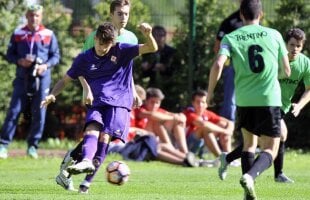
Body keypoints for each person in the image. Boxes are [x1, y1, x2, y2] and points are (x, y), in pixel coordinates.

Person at [41, 22, 157, 194]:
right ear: (95, 39)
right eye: (101, 44)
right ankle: (86, 161)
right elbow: (65, 80)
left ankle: (85, 183)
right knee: (91, 131)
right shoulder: (84, 58)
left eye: (107, 45)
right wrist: (53, 94)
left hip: (118, 103)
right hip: (97, 102)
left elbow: (151, 48)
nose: (103, 48)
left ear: (114, 42)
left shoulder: (122, 50)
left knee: (104, 139)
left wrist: (148, 35)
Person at [207, 0, 291, 199]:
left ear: (242, 15)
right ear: (261, 14)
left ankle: (247, 195)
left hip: (244, 100)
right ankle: (250, 176)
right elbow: (286, 70)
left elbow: (218, 64)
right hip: (269, 98)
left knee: (248, 145)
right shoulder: (274, 34)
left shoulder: (231, 37)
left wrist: (210, 93)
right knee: (272, 147)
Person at [55, 0, 138, 192]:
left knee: (104, 136)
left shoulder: (131, 38)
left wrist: (132, 90)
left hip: (119, 96)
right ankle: (76, 167)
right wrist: (86, 88)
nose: (123, 17)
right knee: (99, 133)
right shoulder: (96, 36)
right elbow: (82, 65)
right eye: (119, 14)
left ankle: (76, 167)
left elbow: (127, 68)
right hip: (97, 94)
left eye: (126, 14)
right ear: (111, 15)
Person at [217, 28, 310, 184]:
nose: (295, 49)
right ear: (285, 44)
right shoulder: (275, 58)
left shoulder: (305, 63)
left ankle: (228, 159)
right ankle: (276, 174)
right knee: (279, 134)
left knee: (257, 141)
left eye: (299, 46)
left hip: (282, 106)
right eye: (292, 45)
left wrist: (300, 105)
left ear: (303, 46)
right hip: (267, 102)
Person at [0, 4, 60, 159]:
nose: (34, 18)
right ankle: (3, 145)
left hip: (42, 79)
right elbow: (9, 54)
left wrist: (45, 66)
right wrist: (19, 61)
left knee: (40, 112)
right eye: (31, 15)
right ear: (27, 16)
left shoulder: (48, 34)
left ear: (41, 16)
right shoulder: (18, 33)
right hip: (22, 78)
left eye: (37, 15)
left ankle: (32, 146)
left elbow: (56, 56)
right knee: (14, 111)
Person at [213, 0, 243, 122]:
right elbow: (217, 47)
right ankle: (226, 136)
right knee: (230, 101)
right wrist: (226, 63)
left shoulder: (257, 21)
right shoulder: (230, 22)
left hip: (254, 69)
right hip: (234, 67)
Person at [135, 87, 189, 154]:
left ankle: (185, 151)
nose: (154, 105)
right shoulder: (140, 108)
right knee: (156, 120)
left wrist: (181, 117)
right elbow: (152, 115)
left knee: (178, 122)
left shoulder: (158, 110)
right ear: (146, 101)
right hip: (140, 137)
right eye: (152, 102)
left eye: (157, 103)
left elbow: (178, 116)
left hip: (154, 137)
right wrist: (174, 118)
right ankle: (170, 148)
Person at [183, 90, 234, 158]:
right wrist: (225, 131)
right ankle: (221, 158)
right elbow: (204, 125)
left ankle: (229, 156)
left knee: (223, 124)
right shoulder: (189, 113)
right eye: (198, 102)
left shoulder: (206, 113)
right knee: (205, 129)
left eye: (203, 102)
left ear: (206, 104)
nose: (200, 105)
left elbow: (229, 122)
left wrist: (229, 131)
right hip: (187, 145)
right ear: (193, 103)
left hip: (201, 143)